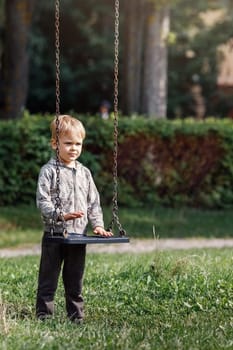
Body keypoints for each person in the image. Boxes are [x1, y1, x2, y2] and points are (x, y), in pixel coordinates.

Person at [36, 114, 112, 323]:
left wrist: (98, 225)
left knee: (75, 278)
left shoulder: (85, 173)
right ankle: (44, 315)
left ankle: (76, 316)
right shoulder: (49, 172)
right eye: (68, 143)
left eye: (78, 143)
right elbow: (43, 202)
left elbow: (93, 202)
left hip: (78, 235)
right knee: (48, 278)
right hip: (54, 234)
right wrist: (61, 216)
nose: (73, 148)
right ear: (55, 143)